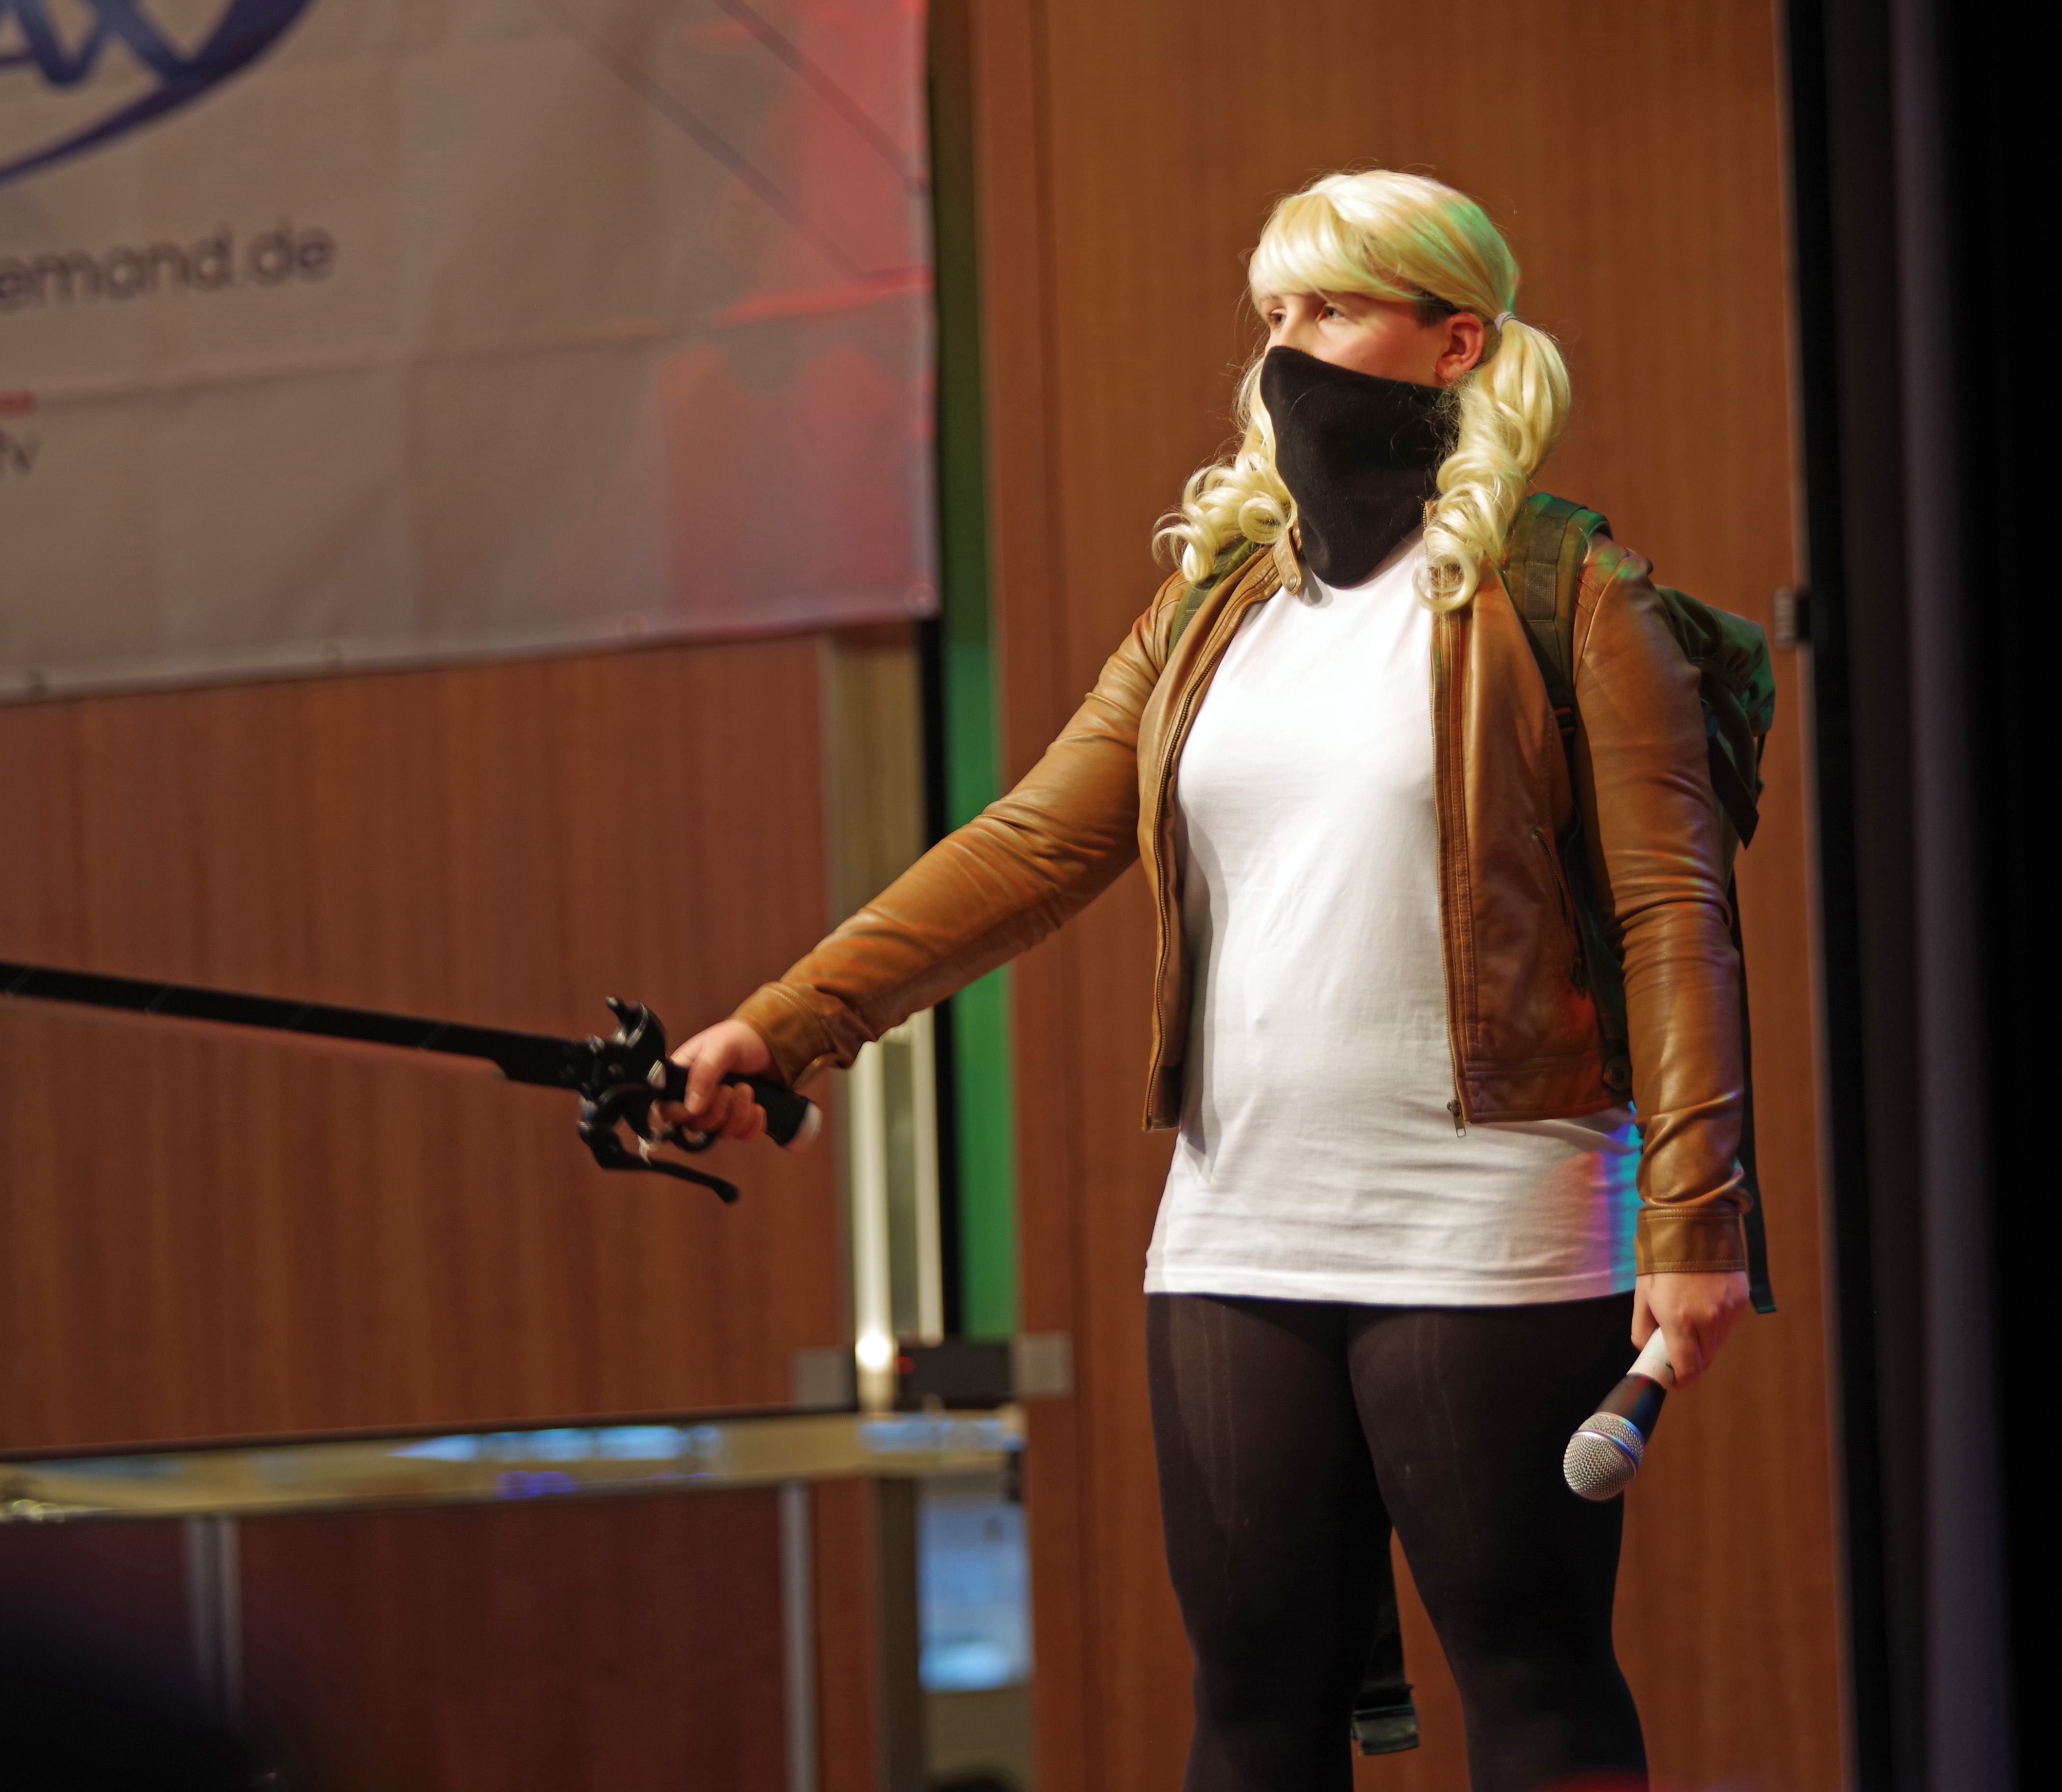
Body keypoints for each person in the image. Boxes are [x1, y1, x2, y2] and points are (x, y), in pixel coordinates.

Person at [666, 169, 1750, 1791]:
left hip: (1494, 1211)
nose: (1286, 350)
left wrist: (1695, 1219)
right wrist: (784, 1025)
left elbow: (1675, 917)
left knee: (1531, 1676)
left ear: (1457, 343)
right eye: (1273, 314)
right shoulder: (1212, 607)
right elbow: (1031, 845)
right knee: (1252, 1700)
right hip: (1238, 1223)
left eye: (1334, 310)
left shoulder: (1569, 594)